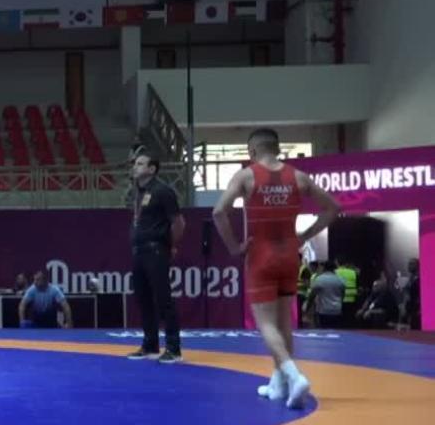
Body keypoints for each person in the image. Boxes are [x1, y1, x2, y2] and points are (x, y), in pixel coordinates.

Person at [212, 127, 339, 409]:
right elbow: (333, 208)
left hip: (261, 256)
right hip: (289, 256)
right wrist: (305, 236)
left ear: (252, 151)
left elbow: (219, 212)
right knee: (283, 323)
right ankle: (278, 384)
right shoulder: (298, 177)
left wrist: (234, 248)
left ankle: (295, 376)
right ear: (278, 149)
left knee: (266, 324)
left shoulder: (246, 176)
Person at [126, 152, 185, 363]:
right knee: (143, 299)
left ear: (152, 169)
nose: (135, 166)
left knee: (163, 298)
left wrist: (171, 245)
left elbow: (178, 222)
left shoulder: (162, 191)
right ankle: (150, 345)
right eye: (135, 163)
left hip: (156, 250)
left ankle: (173, 348)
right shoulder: (139, 192)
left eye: (140, 163)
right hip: (139, 250)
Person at [306, 260, 346, 329]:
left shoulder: (319, 279)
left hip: (323, 310)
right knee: (336, 330)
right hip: (337, 310)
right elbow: (342, 295)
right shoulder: (340, 280)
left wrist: (308, 307)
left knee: (324, 330)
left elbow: (312, 295)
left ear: (324, 268)